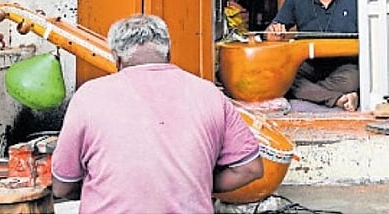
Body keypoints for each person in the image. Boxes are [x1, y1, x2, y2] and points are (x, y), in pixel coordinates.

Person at [50, 14, 263, 213]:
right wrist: (196, 183)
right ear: (168, 53)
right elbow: (250, 169)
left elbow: (62, 187)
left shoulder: (89, 96)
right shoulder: (209, 93)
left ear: (116, 58)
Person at [266, 0, 360, 111]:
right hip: (308, 63)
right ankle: (338, 98)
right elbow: (273, 29)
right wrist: (273, 32)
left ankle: (313, 93)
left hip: (344, 65)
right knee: (281, 78)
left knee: (353, 80)